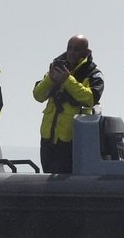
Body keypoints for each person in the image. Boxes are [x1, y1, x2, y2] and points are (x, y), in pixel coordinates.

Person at [32, 34, 103, 174]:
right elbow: (38, 95)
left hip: (73, 139)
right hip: (49, 137)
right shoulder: (57, 68)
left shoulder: (93, 74)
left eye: (76, 49)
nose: (71, 52)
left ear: (86, 52)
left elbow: (90, 98)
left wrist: (67, 80)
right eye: (69, 48)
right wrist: (51, 79)